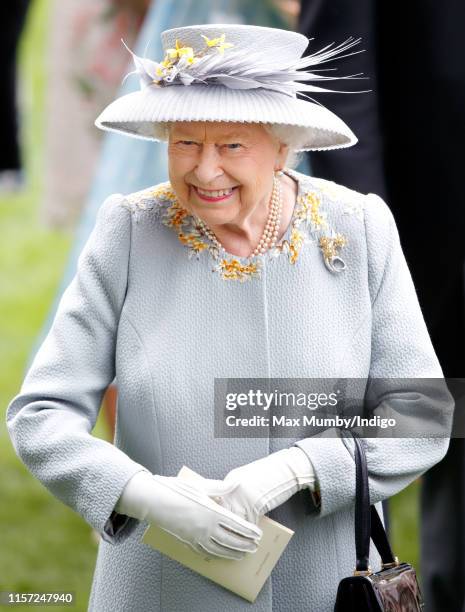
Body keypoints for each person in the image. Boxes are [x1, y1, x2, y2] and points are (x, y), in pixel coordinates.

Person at [6, 23, 453, 612]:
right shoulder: (132, 230)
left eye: (232, 146)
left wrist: (300, 469)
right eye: (185, 143)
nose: (205, 170)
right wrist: (143, 495)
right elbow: (41, 414)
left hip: (325, 586)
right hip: (161, 586)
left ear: (282, 144)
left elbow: (423, 412)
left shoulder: (358, 227)